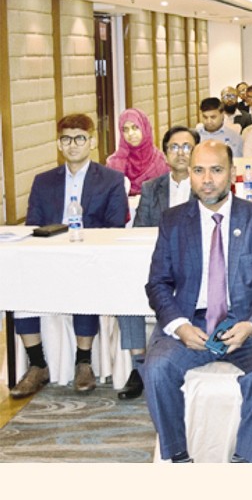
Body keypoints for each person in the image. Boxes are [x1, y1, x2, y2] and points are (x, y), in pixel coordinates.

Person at [143, 140, 252, 463]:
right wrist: (179, 326)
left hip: (247, 323)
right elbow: (157, 283)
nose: (206, 180)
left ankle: (245, 458)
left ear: (232, 172)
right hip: (192, 323)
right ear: (189, 173)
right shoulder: (173, 221)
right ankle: (178, 456)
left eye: (216, 170)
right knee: (155, 368)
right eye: (198, 170)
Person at [11, 114, 129, 398]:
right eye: (66, 139)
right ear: (58, 144)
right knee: (19, 283)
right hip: (50, 257)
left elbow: (114, 226)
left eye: (79, 138)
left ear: (91, 142)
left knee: (82, 279)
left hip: (91, 258)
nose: (73, 144)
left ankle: (83, 362)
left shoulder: (111, 180)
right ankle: (37, 364)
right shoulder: (43, 181)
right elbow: (34, 224)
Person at [119, 126, 201, 401]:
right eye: (174, 147)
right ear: (165, 153)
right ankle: (138, 365)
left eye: (187, 147)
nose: (181, 153)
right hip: (157, 261)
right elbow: (140, 230)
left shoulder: (207, 185)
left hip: (194, 266)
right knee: (128, 285)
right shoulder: (151, 188)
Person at [106, 107, 169, 196]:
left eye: (135, 127)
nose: (130, 133)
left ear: (145, 128)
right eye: (125, 129)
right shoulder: (114, 164)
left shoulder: (160, 162)